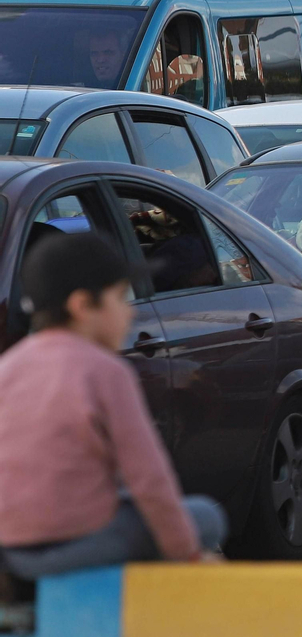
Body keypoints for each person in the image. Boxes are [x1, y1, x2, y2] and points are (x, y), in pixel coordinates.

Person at [0, 234, 226, 578]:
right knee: (205, 516)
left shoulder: (9, 367)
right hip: (76, 547)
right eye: (120, 297)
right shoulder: (105, 371)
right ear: (81, 306)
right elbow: (149, 479)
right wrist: (188, 554)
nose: (130, 311)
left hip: (11, 549)